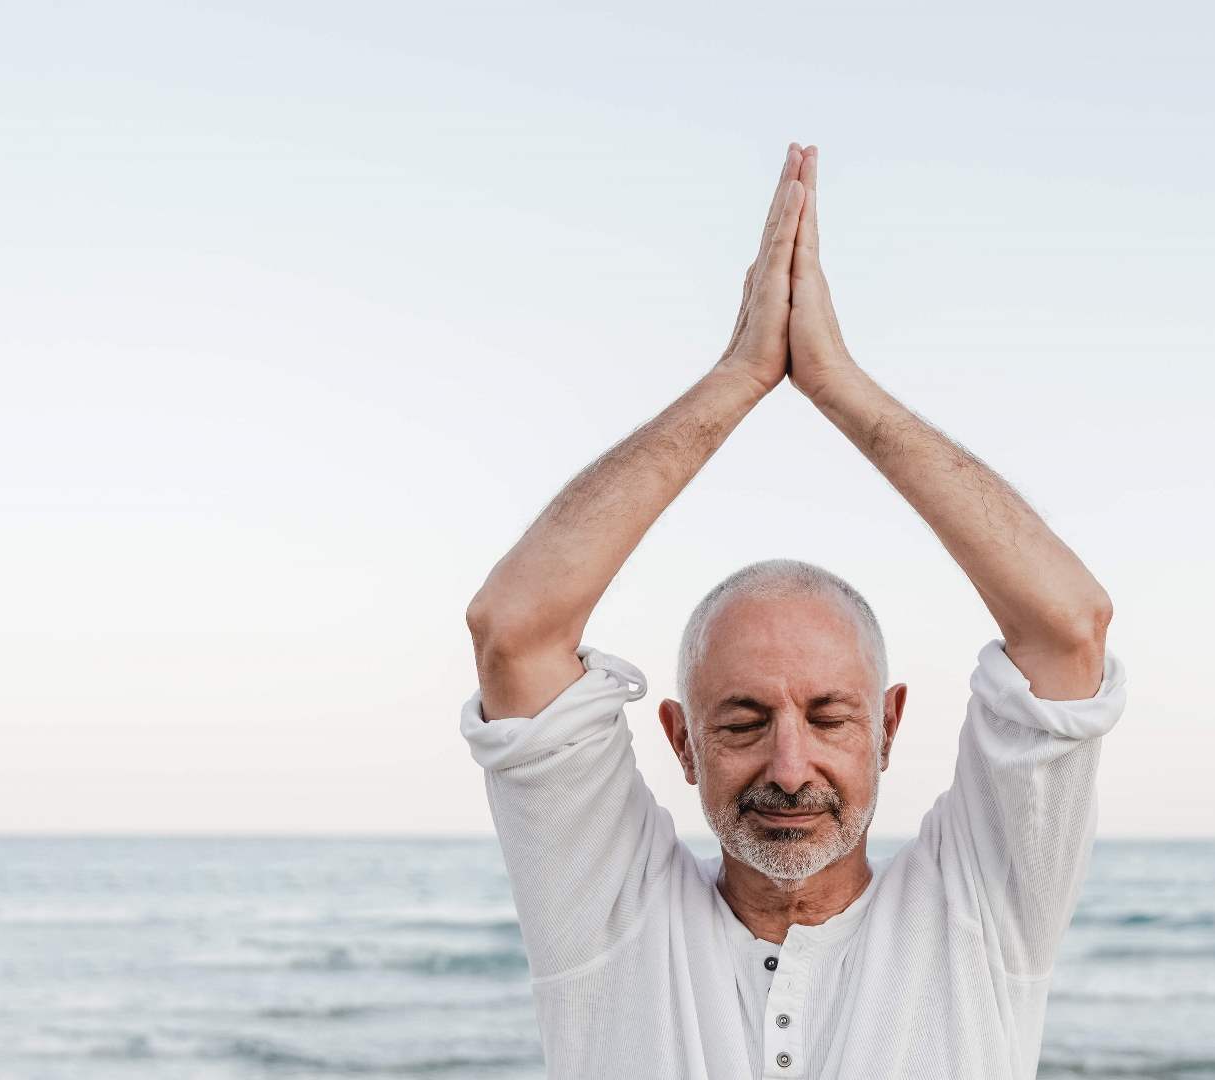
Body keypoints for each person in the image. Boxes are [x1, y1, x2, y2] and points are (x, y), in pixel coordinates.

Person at [460, 141, 1128, 1080]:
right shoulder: (609, 916)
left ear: (888, 726)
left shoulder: (978, 913)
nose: (788, 766)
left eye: (827, 716)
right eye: (742, 721)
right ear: (682, 740)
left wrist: (837, 384)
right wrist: (739, 375)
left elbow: (1068, 628)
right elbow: (515, 630)